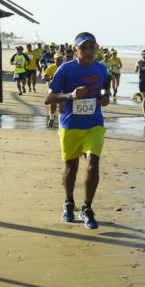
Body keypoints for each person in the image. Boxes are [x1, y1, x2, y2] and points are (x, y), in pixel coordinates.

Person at [45, 32, 111, 230]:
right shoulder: (65, 69)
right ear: (76, 50)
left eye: (92, 47)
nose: (89, 51)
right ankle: (69, 202)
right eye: (84, 48)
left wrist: (105, 96)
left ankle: (87, 208)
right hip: (70, 126)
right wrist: (70, 96)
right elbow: (49, 99)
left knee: (93, 165)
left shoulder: (101, 68)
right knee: (71, 169)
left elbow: (105, 84)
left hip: (94, 125)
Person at [42, 52, 65, 127]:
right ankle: (52, 118)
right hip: (53, 87)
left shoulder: (65, 67)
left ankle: (61, 123)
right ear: (54, 59)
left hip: (62, 88)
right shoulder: (51, 67)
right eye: (57, 59)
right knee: (53, 103)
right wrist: (51, 78)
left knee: (62, 105)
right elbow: (43, 78)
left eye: (61, 58)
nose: (59, 60)